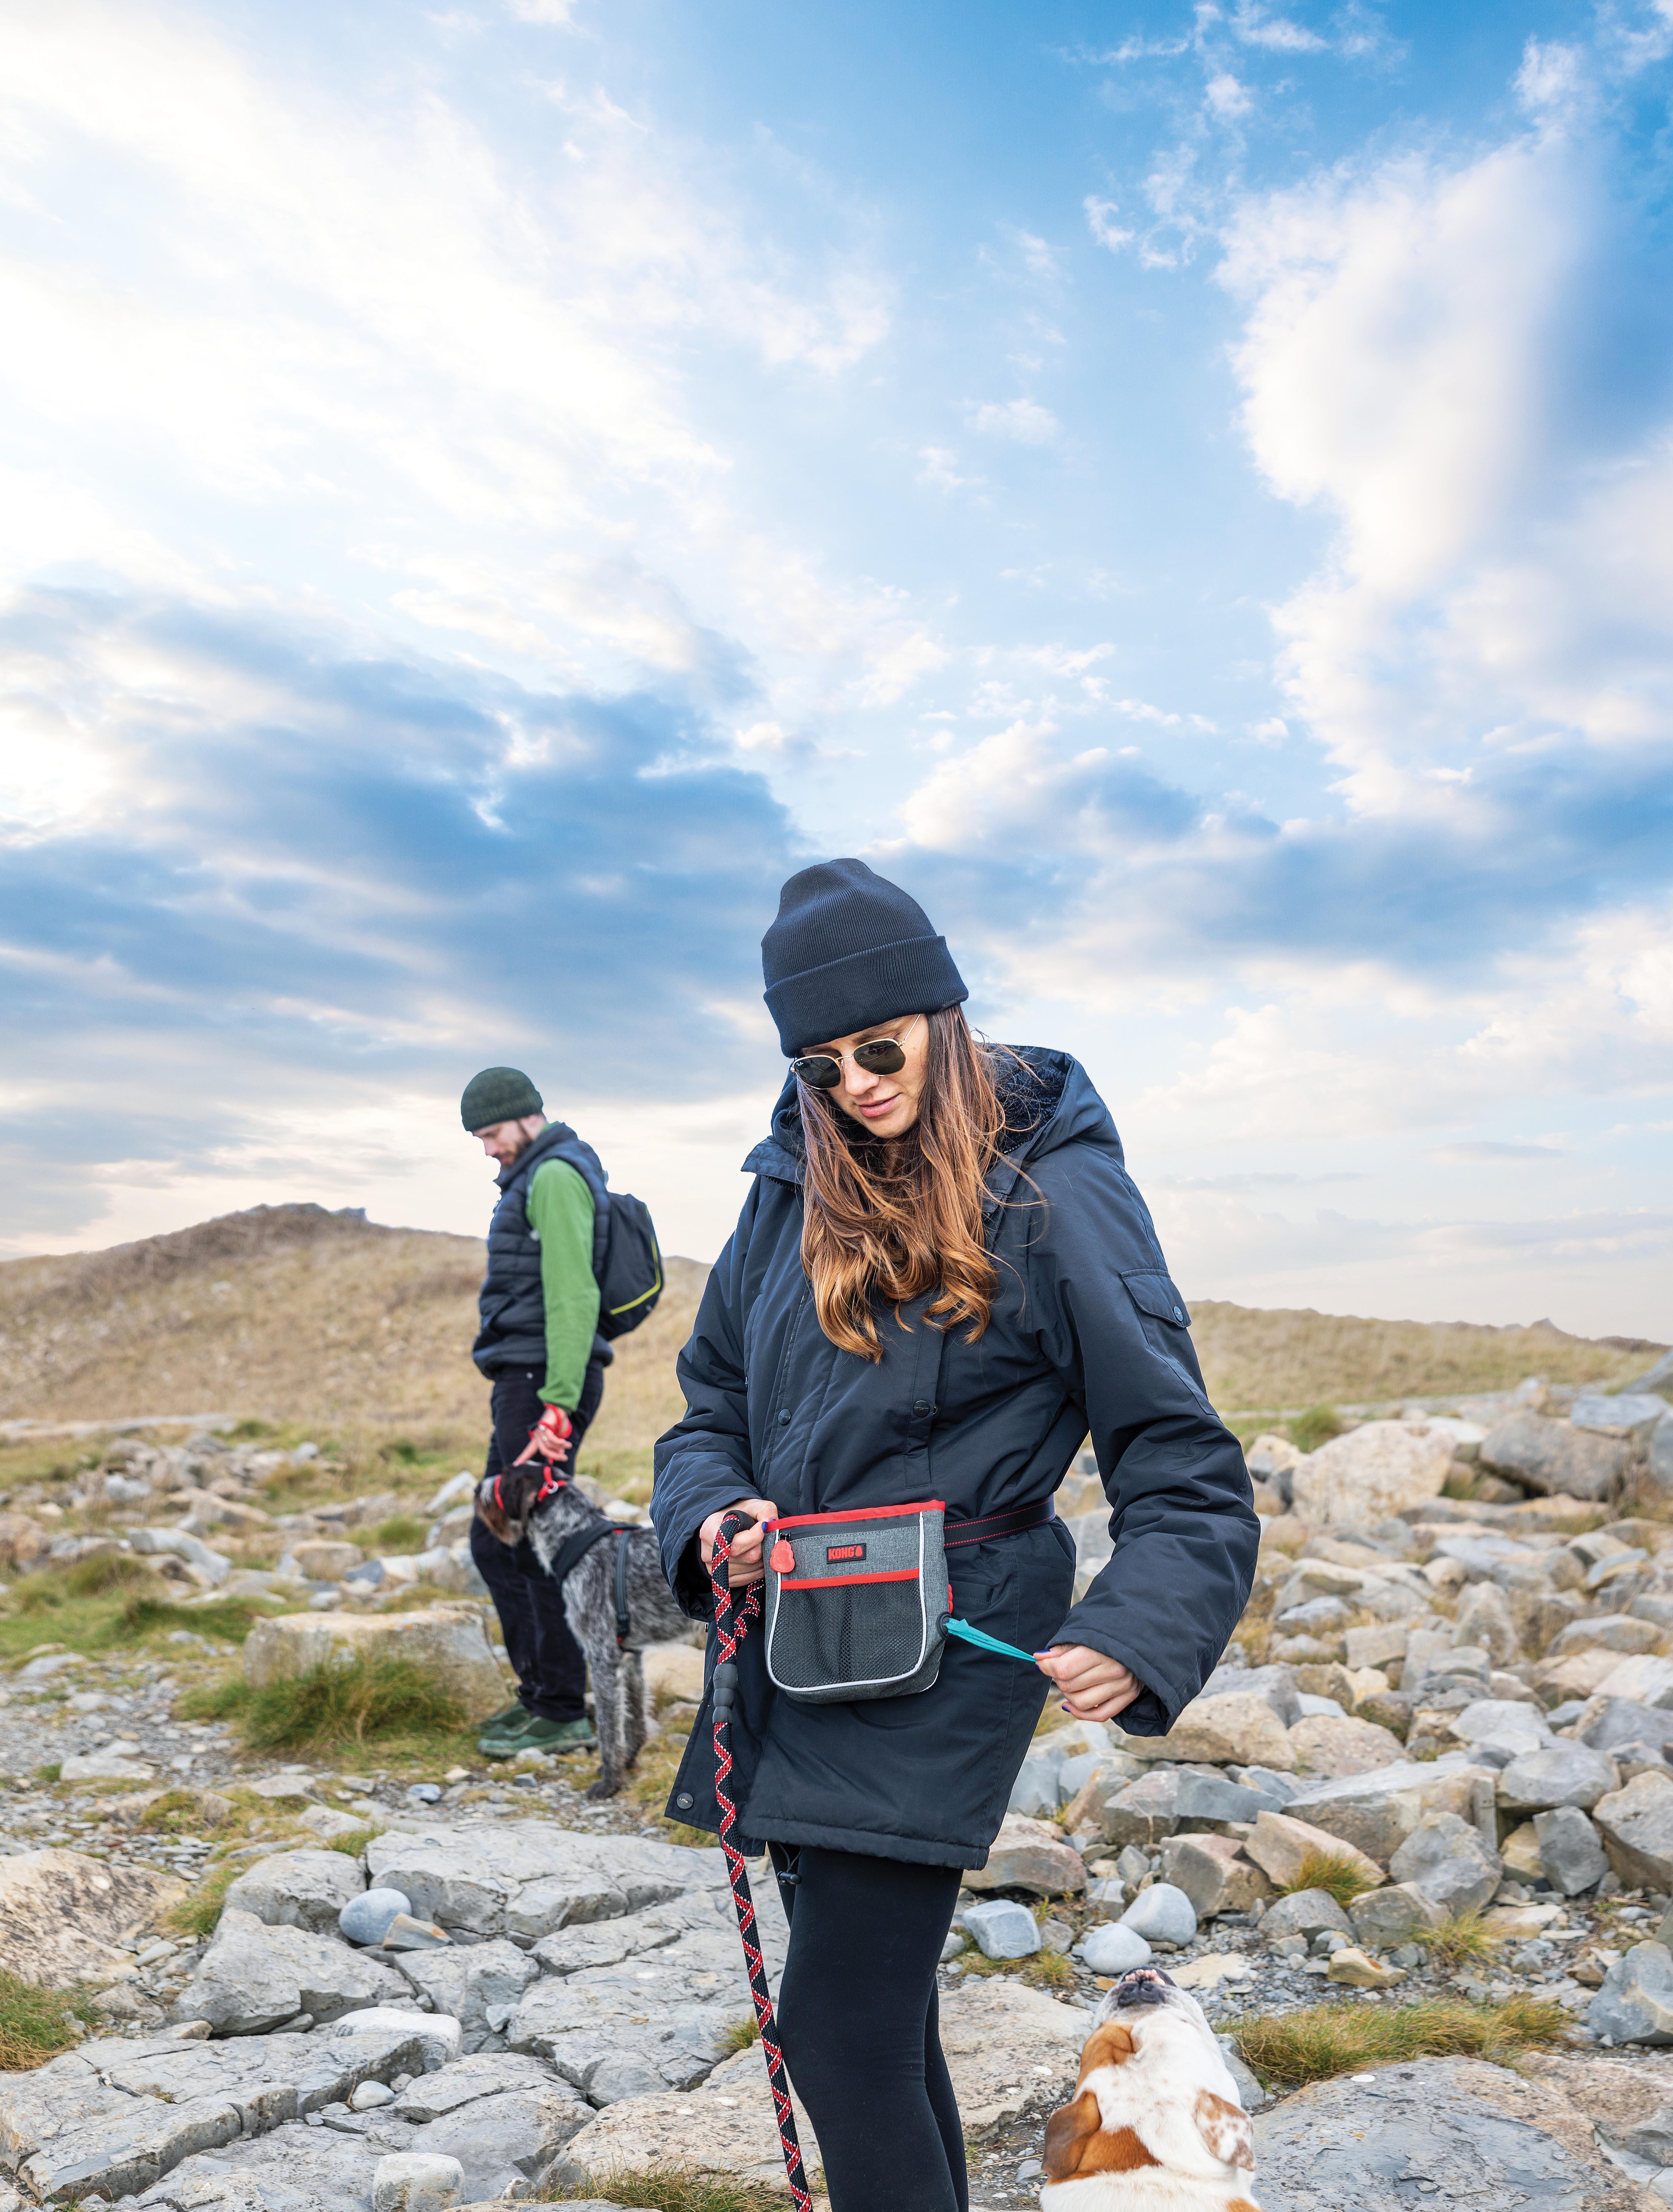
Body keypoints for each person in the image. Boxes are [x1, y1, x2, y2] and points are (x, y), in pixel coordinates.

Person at [649, 859, 1258, 2212]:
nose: (857, 1083)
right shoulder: (783, 1191)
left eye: (881, 1047)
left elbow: (1177, 1453)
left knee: (837, 2031)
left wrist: (1137, 1625)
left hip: (954, 1632)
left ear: (942, 1016)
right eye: (822, 1064)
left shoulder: (1051, 1192)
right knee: (877, 2021)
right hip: (801, 1637)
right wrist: (713, 1518)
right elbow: (704, 1414)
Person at [462, 1063, 614, 1761]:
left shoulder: (553, 1177)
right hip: (526, 1379)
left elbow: (573, 1297)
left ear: (526, 1117)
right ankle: (545, 1700)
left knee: (520, 1543)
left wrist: (555, 1405)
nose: (488, 1148)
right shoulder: (535, 1175)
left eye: (491, 1132)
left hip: (540, 1385)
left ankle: (560, 1709)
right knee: (502, 1541)